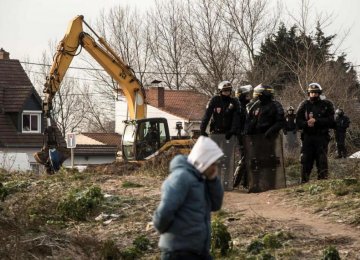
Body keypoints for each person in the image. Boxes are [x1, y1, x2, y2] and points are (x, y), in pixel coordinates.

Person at [153, 136, 224, 260]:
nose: (215, 167)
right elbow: (165, 212)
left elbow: (216, 205)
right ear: (203, 160)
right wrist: (170, 235)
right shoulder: (181, 177)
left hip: (197, 251)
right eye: (212, 163)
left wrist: (213, 180)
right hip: (178, 252)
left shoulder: (202, 179)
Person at [296, 82, 335, 183]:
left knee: (322, 160)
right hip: (307, 137)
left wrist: (317, 121)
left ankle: (323, 181)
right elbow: (297, 121)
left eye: (316, 93)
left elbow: (331, 121)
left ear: (319, 93)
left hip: (321, 136)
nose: (314, 95)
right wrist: (306, 123)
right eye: (311, 93)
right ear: (309, 93)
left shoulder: (326, 104)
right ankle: (304, 181)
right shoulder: (303, 105)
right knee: (305, 160)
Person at [233, 85, 253, 188]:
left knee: (247, 158)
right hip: (240, 136)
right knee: (244, 158)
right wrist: (241, 133)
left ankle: (245, 183)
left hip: (245, 136)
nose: (248, 97)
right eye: (246, 95)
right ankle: (235, 181)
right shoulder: (238, 107)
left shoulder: (244, 107)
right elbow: (237, 124)